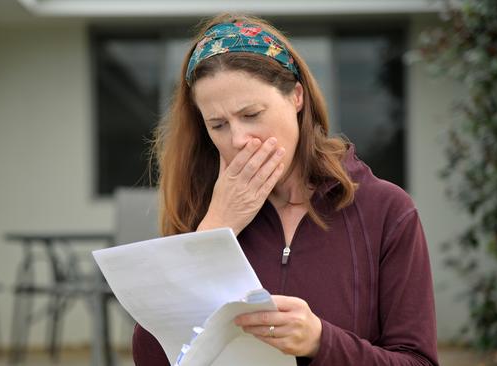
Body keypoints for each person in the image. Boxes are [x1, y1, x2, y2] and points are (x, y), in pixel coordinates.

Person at [134, 13, 438, 366]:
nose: (238, 140)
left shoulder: (386, 210)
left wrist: (322, 342)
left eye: (251, 114)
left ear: (297, 97)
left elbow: (418, 361)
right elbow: (152, 356)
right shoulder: (202, 210)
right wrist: (215, 231)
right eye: (218, 125)